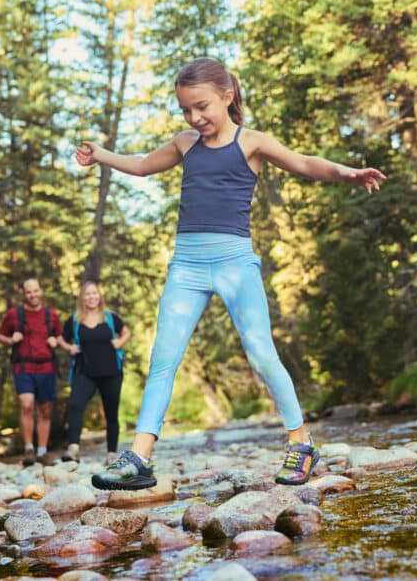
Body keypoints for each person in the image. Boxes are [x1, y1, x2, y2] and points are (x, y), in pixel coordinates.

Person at [75, 57, 385, 490]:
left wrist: (345, 173)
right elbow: (144, 164)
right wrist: (101, 155)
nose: (194, 117)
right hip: (186, 266)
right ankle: (140, 458)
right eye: (186, 110)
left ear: (227, 95)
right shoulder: (185, 143)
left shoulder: (251, 142)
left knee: (260, 352)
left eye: (201, 106)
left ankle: (301, 442)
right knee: (163, 359)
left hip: (235, 262)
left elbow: (304, 163)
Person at [59, 280, 132, 464]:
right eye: (87, 294)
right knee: (75, 404)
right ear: (82, 298)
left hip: (111, 371)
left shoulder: (109, 317)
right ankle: (74, 447)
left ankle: (111, 453)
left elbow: (126, 332)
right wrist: (69, 348)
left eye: (94, 293)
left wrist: (119, 343)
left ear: (99, 297)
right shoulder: (75, 320)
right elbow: (60, 337)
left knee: (111, 412)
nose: (91, 297)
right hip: (85, 371)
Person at [0, 277, 62, 466]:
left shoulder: (51, 315)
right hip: (23, 366)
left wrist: (56, 342)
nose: (32, 295)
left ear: (41, 291)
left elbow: (60, 336)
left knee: (45, 410)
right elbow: (0, 335)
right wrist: (10, 340)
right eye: (28, 292)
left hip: (47, 367)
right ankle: (28, 449)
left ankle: (42, 450)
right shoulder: (14, 315)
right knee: (26, 404)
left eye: (35, 291)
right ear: (24, 295)